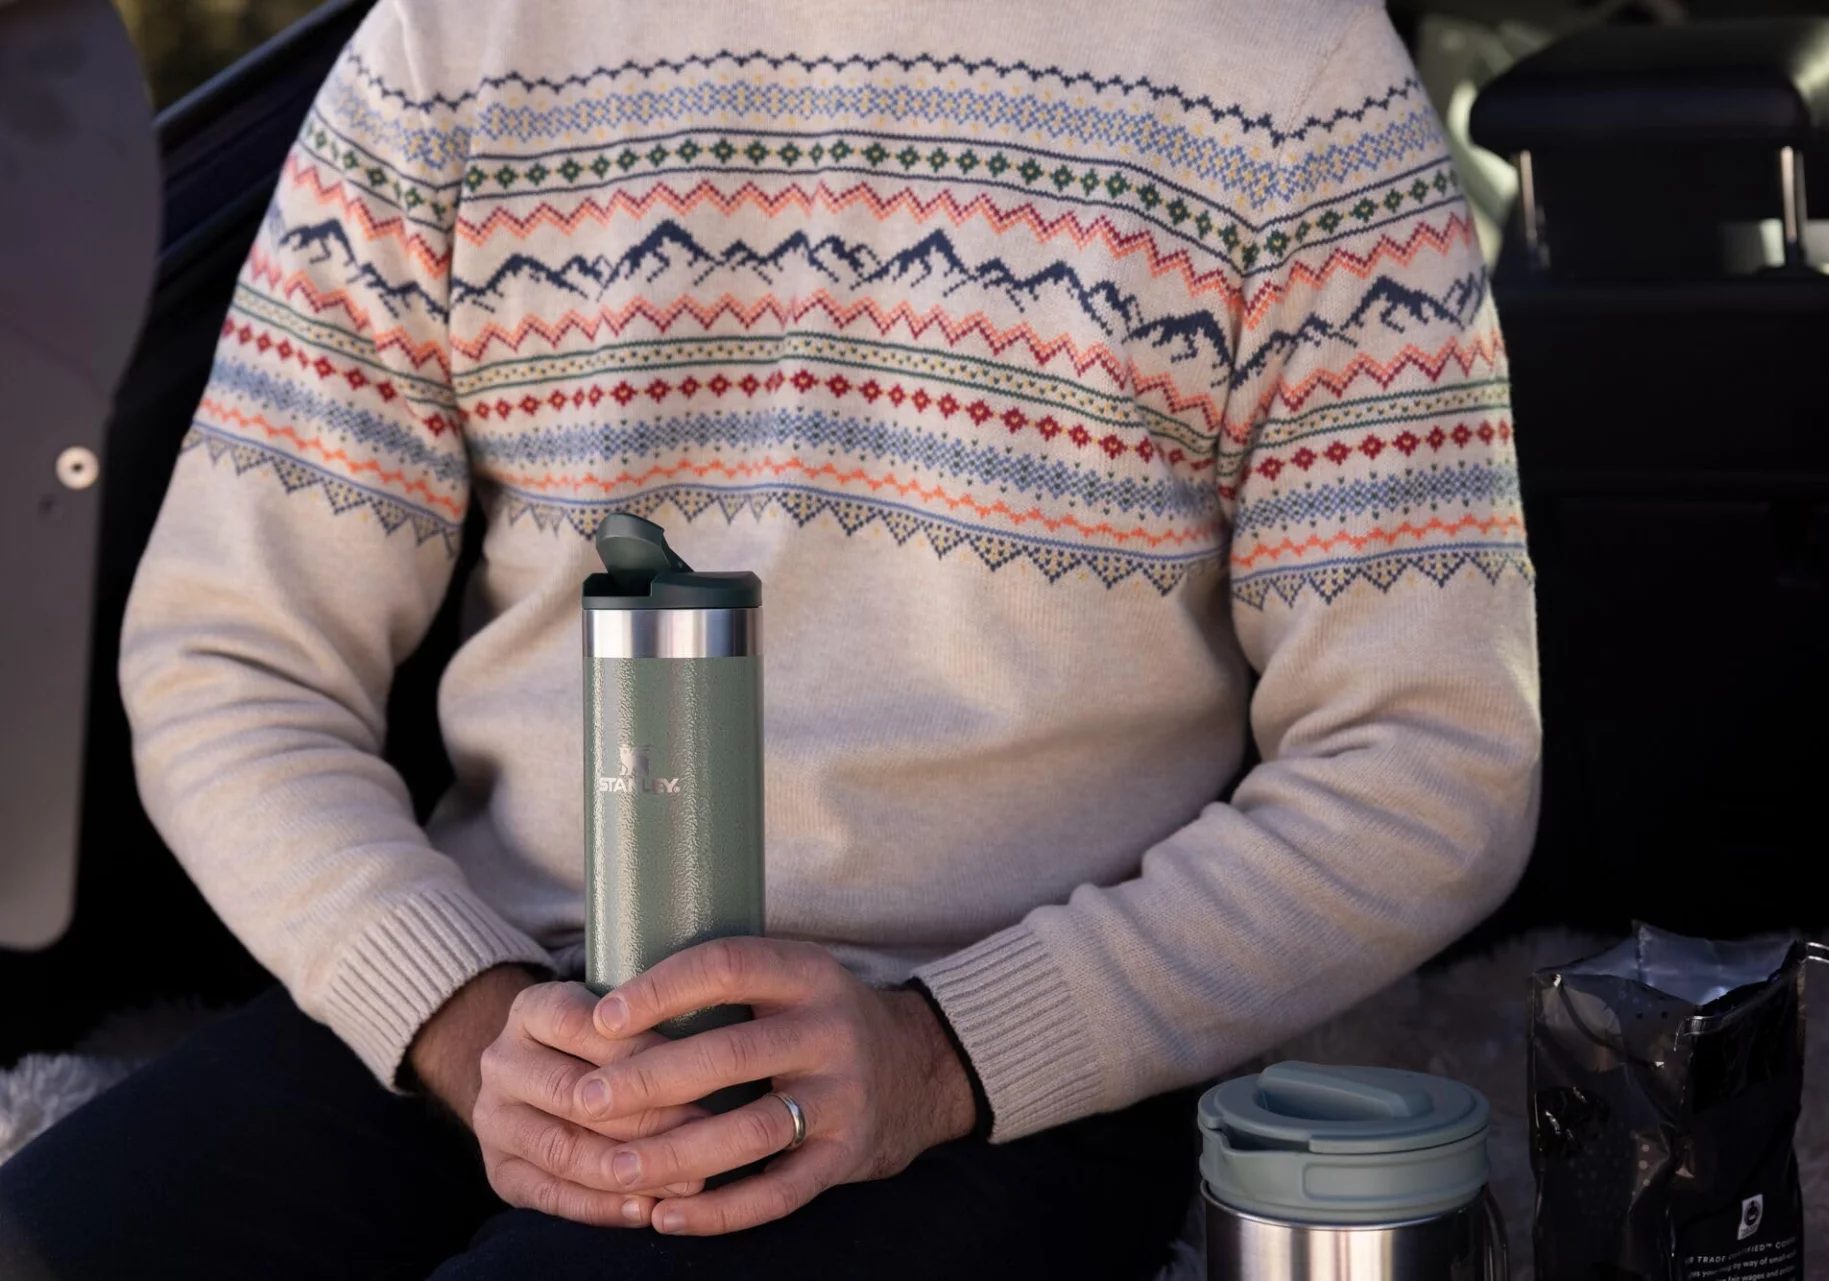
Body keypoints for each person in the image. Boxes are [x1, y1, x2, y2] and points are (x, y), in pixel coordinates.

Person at [0, 0, 1541, 1276]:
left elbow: (1432, 756)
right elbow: (230, 660)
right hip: (489, 1007)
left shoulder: (1295, 73)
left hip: (1010, 1070)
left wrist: (945, 1055)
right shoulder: (451, 40)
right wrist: (460, 1017)